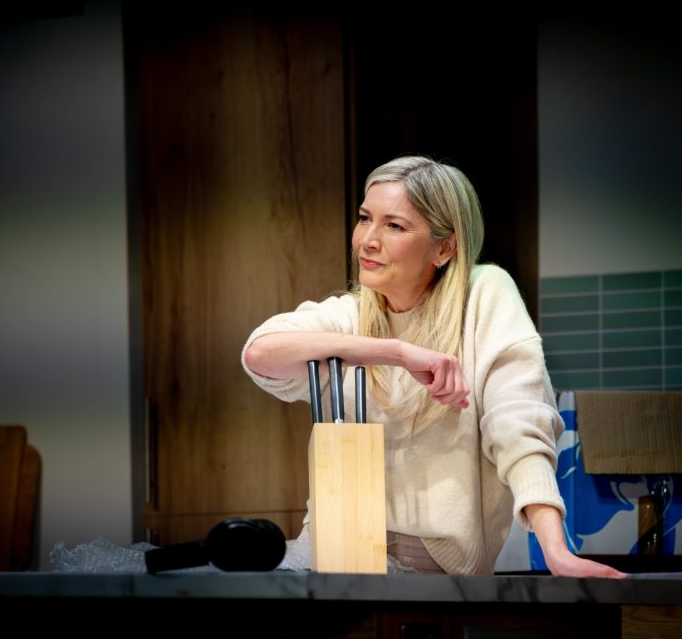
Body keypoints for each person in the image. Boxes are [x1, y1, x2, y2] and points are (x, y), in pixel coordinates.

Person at [242, 155, 626, 579]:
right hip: (329, 545)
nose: (367, 240)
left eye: (394, 226)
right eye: (365, 219)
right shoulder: (350, 315)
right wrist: (397, 352)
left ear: (444, 248)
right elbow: (261, 353)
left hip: (428, 561)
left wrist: (556, 551)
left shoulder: (484, 294)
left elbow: (519, 424)